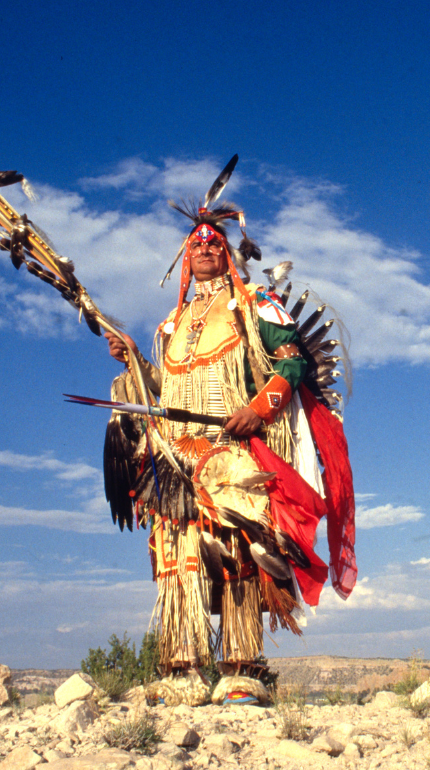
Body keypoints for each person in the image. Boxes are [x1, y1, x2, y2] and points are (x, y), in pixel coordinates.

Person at [102, 184, 355, 705]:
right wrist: (132, 358)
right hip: (176, 452)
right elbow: (163, 389)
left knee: (238, 549)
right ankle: (181, 668)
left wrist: (258, 410)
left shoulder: (253, 306)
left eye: (215, 241)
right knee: (179, 553)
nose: (204, 248)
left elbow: (292, 362)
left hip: (231, 447)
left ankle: (242, 666)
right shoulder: (170, 325)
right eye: (195, 243)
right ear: (183, 258)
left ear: (229, 251)